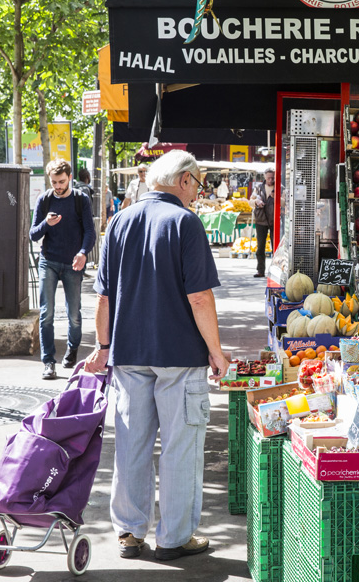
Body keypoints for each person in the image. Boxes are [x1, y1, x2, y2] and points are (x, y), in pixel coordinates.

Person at [83, 150, 229, 562]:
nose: (198, 194)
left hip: (128, 353)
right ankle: (175, 537)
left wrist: (104, 346)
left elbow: (104, 296)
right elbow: (199, 297)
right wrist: (216, 352)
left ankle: (129, 532)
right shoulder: (185, 222)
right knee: (181, 447)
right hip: (180, 355)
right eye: (198, 185)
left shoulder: (119, 221)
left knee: (131, 443)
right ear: (184, 180)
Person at [29, 159, 96, 380]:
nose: (58, 186)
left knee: (74, 315)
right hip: (48, 260)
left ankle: (72, 349)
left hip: (73, 263)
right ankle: (48, 362)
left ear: (69, 178)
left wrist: (83, 252)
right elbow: (33, 234)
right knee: (46, 313)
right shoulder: (45, 200)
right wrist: (47, 223)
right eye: (54, 182)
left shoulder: (80, 200)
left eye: (61, 181)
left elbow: (90, 232)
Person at [251, 171, 275, 278]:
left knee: (276, 246)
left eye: (272, 178)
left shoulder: (280, 187)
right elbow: (250, 201)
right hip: (261, 219)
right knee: (260, 246)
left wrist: (277, 197)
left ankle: (275, 270)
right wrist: (256, 201)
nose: (270, 180)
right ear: (265, 177)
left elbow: (285, 202)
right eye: (268, 178)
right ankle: (260, 270)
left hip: (274, 220)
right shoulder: (258, 188)